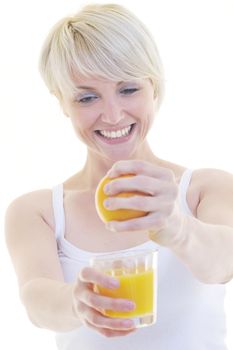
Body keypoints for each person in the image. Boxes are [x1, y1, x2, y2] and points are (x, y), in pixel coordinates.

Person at [5, 3, 233, 350]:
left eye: (128, 89)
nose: (112, 115)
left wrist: (176, 226)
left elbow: (222, 265)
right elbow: (36, 299)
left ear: (153, 88)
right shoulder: (38, 212)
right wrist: (76, 302)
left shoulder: (204, 190)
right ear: (62, 102)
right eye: (86, 97)